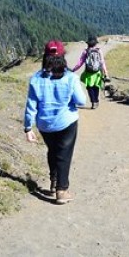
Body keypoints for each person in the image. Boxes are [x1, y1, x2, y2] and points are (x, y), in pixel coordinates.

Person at [24, 40, 86, 204]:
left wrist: (27, 128)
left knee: (53, 151)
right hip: (66, 122)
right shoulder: (71, 77)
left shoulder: (36, 79)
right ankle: (61, 190)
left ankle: (53, 181)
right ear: (63, 57)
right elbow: (81, 101)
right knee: (64, 154)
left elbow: (31, 105)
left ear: (45, 57)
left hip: (44, 125)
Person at [72, 35, 109, 109]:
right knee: (96, 87)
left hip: (88, 73)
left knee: (89, 88)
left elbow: (80, 63)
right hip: (97, 73)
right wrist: (105, 72)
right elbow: (102, 62)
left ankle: (93, 102)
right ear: (96, 43)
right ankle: (96, 100)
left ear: (88, 43)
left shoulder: (86, 51)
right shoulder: (99, 50)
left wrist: (73, 70)